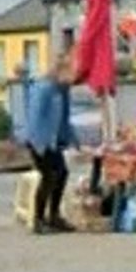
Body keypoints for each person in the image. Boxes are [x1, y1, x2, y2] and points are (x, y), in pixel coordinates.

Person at [22, 54, 80, 234]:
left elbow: (64, 120)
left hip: (53, 142)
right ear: (59, 72)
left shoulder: (63, 91)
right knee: (49, 176)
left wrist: (75, 141)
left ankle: (54, 215)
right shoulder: (44, 89)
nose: (74, 78)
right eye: (71, 73)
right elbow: (35, 117)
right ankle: (38, 220)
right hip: (39, 140)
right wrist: (39, 144)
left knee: (62, 173)